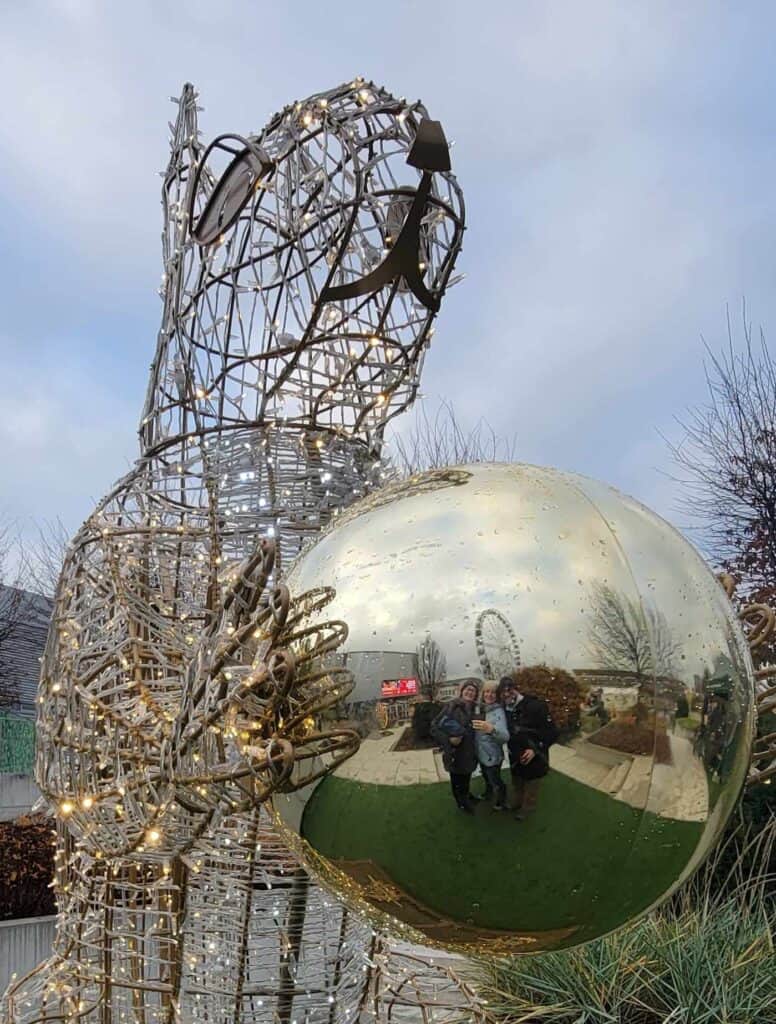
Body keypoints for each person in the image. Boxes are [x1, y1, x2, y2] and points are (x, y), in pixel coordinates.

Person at [496, 675, 558, 821]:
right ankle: (517, 803)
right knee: (517, 781)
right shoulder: (505, 709)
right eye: (503, 691)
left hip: (535, 755)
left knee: (531, 785)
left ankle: (527, 808)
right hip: (515, 755)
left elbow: (552, 732)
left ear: (516, 689)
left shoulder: (536, 706)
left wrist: (536, 749)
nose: (506, 694)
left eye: (509, 690)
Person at [431, 680, 480, 814]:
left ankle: (467, 795)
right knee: (457, 780)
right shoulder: (452, 706)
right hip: (455, 753)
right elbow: (434, 726)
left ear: (476, 694)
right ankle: (462, 803)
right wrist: (449, 740)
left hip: (470, 751)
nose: (470, 692)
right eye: (467, 689)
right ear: (462, 691)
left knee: (466, 776)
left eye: (473, 690)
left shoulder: (476, 708)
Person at [472, 682, 510, 810]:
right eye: (487, 691)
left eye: (493, 692)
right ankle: (488, 794)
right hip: (481, 753)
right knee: (486, 776)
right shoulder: (479, 708)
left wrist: (492, 729)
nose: (489, 695)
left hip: (493, 755)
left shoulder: (498, 712)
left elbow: (505, 737)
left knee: (495, 780)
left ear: (497, 695)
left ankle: (502, 800)